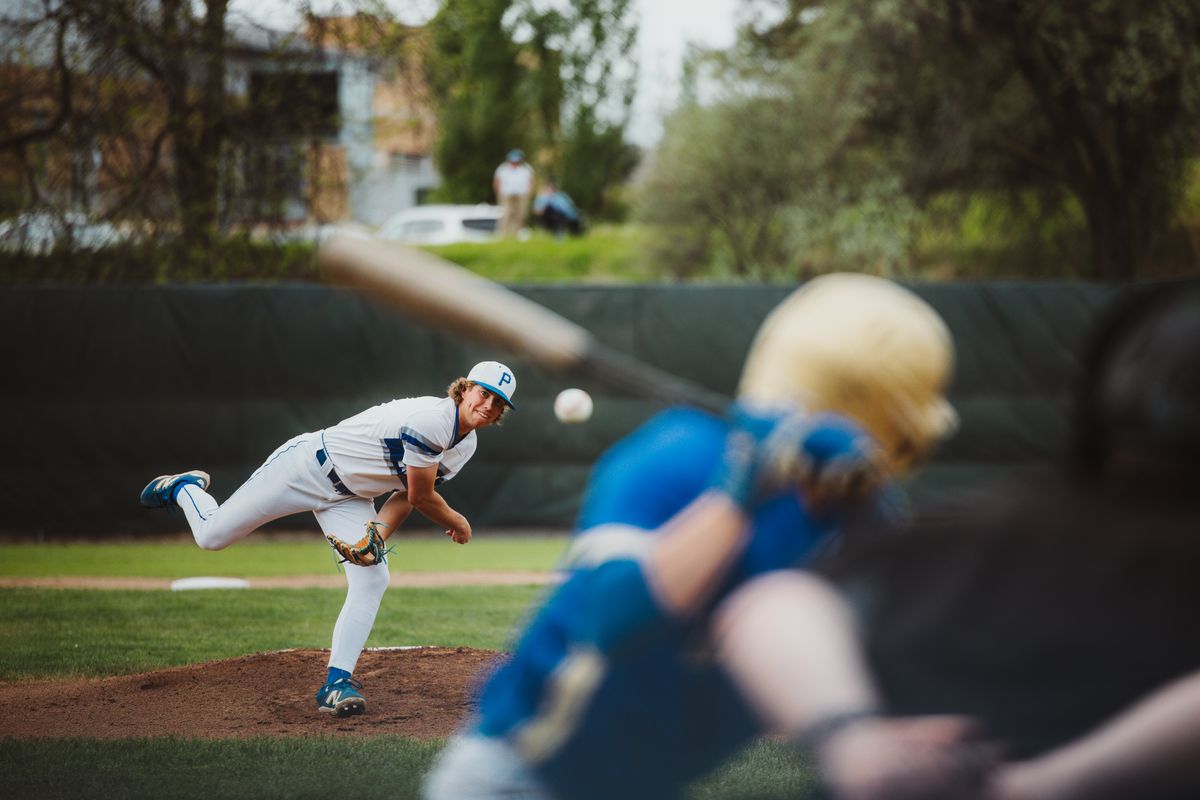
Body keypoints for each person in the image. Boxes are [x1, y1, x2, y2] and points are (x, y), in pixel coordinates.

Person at [424, 274, 975, 800]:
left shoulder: (862, 520)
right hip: (523, 775)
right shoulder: (682, 456)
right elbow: (610, 617)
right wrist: (739, 492)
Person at [720, 284, 1200, 799]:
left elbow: (769, 607)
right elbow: (769, 606)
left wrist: (851, 742)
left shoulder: (935, 516)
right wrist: (854, 743)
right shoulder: (698, 459)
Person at [139, 360, 518, 717]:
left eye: (498, 403)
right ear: (464, 390)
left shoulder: (464, 446)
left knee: (373, 577)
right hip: (305, 467)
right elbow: (421, 496)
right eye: (483, 394)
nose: (488, 405)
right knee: (211, 536)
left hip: (351, 498)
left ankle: (337, 683)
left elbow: (403, 496)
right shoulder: (432, 420)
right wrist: (458, 522)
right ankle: (184, 488)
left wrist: (376, 537)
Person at [493, 149, 535, 237]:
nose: (515, 162)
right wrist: (499, 194)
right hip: (506, 195)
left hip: (522, 195)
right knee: (506, 214)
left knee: (521, 214)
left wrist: (529, 193)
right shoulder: (502, 168)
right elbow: (497, 182)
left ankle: (516, 233)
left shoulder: (527, 169)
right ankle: (503, 233)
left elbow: (532, 182)